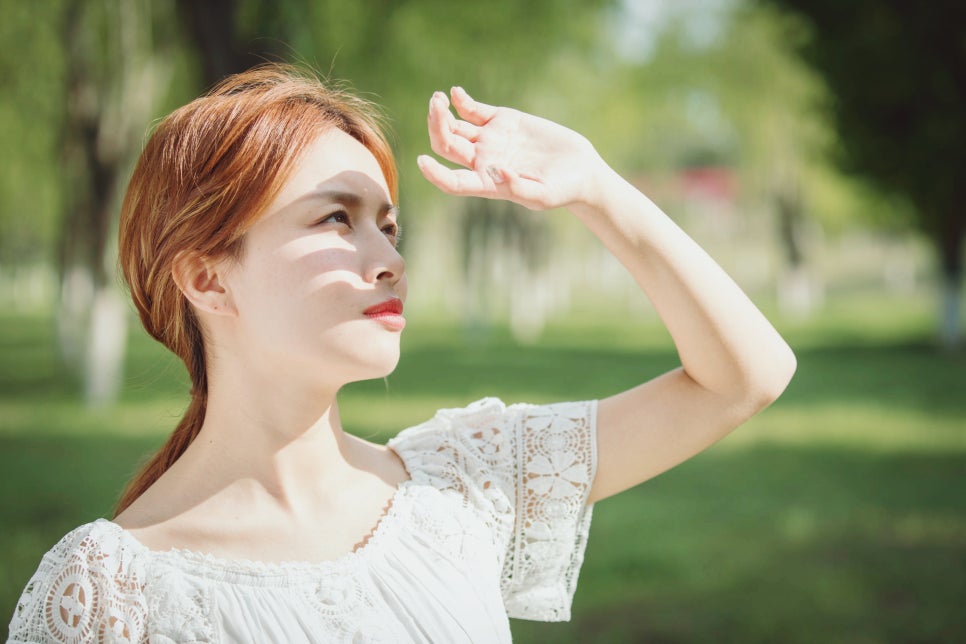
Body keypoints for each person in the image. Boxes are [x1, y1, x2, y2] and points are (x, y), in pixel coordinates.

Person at [7, 64, 795, 643]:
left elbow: (746, 376)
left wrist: (594, 186)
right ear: (208, 277)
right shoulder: (111, 592)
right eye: (333, 220)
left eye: (388, 224)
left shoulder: (460, 484)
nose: (387, 256)